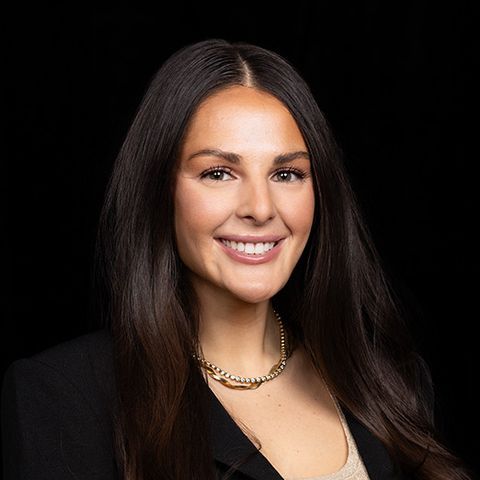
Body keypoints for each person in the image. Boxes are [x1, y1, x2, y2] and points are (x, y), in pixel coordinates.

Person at [1, 39, 472, 480]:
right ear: (159, 191)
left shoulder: (390, 380)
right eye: (219, 173)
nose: (260, 208)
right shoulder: (65, 396)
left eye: (287, 174)